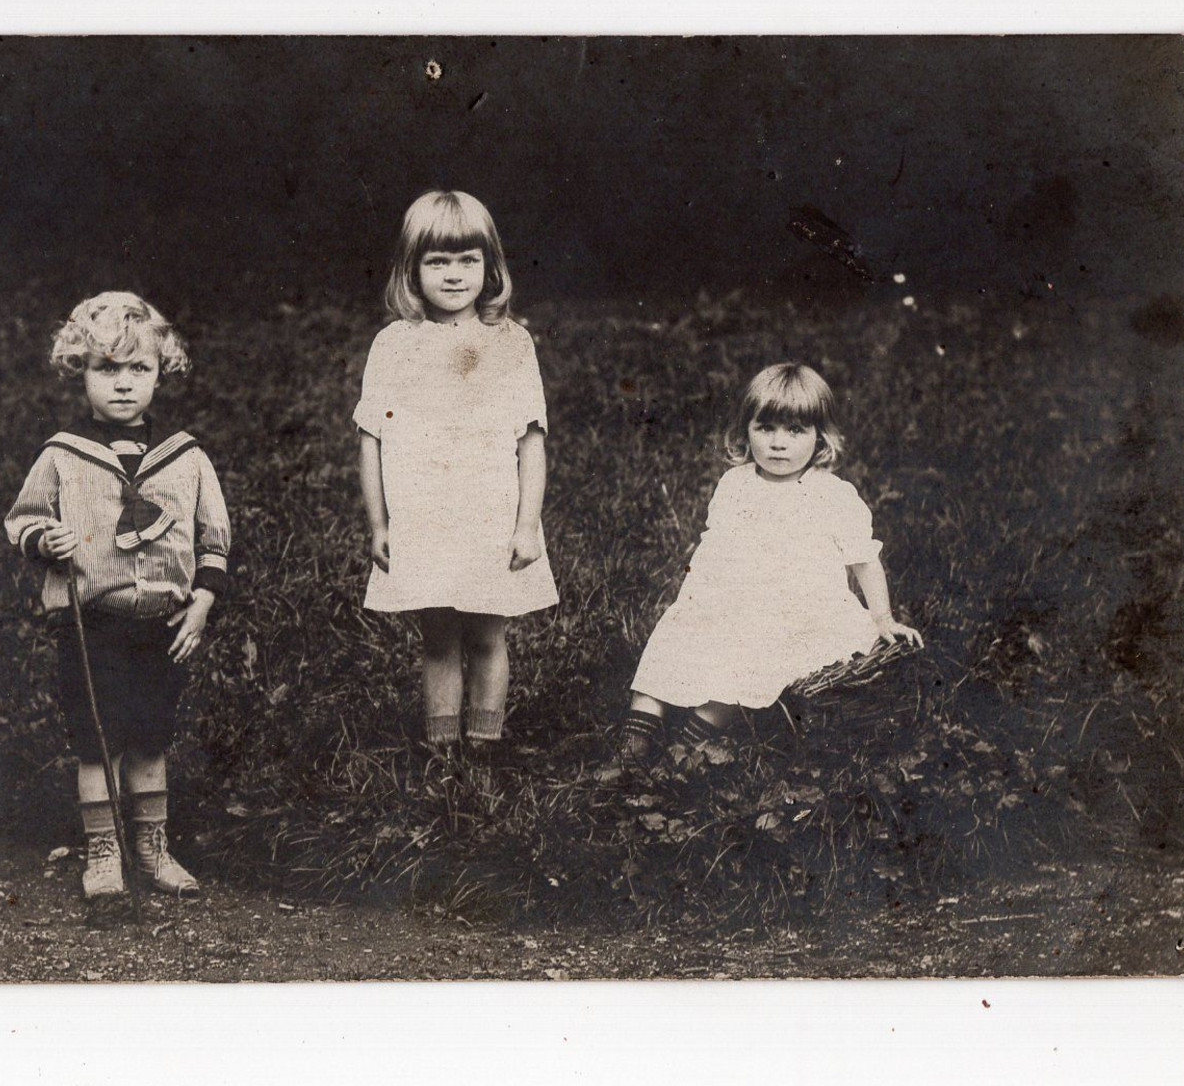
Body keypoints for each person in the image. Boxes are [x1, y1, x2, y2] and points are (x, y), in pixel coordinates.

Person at [4, 292, 230, 901]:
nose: (124, 385)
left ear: (162, 372)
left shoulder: (185, 458)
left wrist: (203, 603)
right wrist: (43, 540)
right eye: (108, 369)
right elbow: (21, 520)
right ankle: (103, 851)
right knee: (97, 736)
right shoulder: (63, 456)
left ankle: (152, 847)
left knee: (153, 734)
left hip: (163, 623)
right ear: (81, 370)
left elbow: (214, 541)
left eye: (139, 369)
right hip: (93, 620)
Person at [604, 362, 922, 767]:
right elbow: (714, 551)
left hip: (799, 612)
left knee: (738, 672)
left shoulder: (833, 495)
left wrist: (882, 618)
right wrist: (696, 606)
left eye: (795, 431)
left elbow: (865, 560)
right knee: (667, 648)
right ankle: (632, 749)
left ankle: (683, 754)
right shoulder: (735, 486)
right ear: (745, 431)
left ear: (820, 437)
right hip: (731, 599)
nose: (778, 443)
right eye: (765, 428)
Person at [355, 190, 558, 752]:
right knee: (439, 636)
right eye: (436, 261)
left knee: (489, 633)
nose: (452, 275)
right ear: (411, 269)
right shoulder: (394, 345)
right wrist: (380, 525)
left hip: (489, 515)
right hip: (425, 518)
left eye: (467, 259)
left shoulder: (511, 343)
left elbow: (531, 443)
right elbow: (371, 440)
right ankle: (443, 754)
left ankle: (485, 744)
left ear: (490, 267)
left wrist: (526, 526)